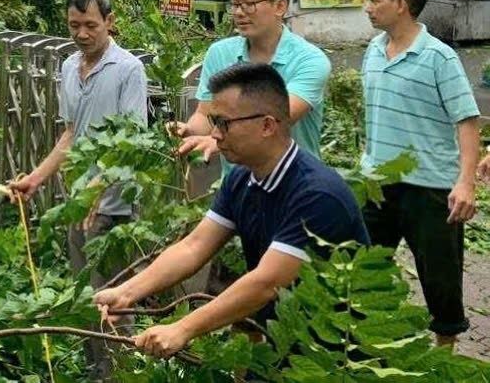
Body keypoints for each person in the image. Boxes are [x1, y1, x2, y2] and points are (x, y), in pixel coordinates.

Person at [94, 64, 369, 359]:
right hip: (281, 342)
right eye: (214, 121)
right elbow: (193, 246)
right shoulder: (242, 178)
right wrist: (127, 293)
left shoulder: (317, 195)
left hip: (337, 353)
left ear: (267, 125)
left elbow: (266, 283)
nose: (215, 134)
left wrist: (183, 328)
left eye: (224, 123)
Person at [10, 0, 148, 378]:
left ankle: (123, 372)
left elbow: (131, 142)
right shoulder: (69, 67)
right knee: (85, 296)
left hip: (114, 207)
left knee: (116, 301)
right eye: (74, 25)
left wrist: (97, 188)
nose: (82, 33)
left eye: (91, 25)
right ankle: (95, 372)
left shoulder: (129, 70)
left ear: (110, 22)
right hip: (78, 204)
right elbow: (71, 134)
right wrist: (36, 178)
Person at [360, 0, 481, 347]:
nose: (367, 9)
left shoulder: (439, 57)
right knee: (365, 267)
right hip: (377, 183)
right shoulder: (372, 50)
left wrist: (465, 182)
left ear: (400, 6)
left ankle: (445, 352)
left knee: (439, 276)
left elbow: (466, 120)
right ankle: (368, 341)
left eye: (373, 1)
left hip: (430, 187)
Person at [171, 0, 331, 167]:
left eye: (249, 3)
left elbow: (276, 120)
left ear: (280, 7)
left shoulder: (309, 60)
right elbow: (205, 114)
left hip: (293, 184)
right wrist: (189, 131)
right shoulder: (219, 53)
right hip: (237, 184)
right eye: (235, 4)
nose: (239, 12)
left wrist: (215, 140)